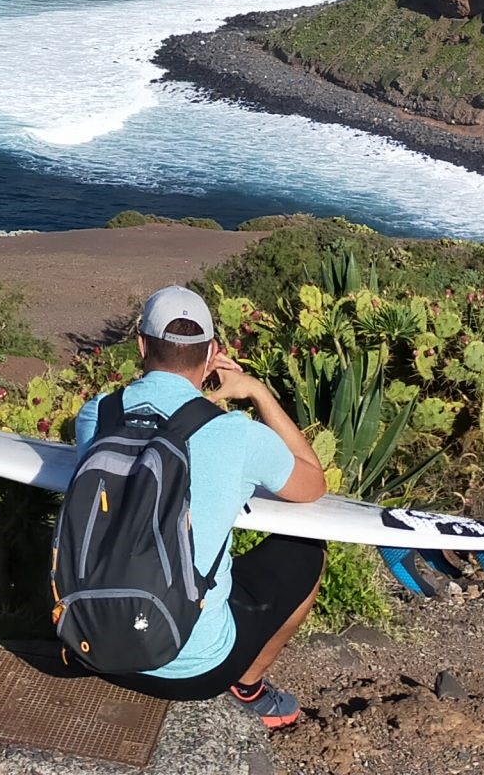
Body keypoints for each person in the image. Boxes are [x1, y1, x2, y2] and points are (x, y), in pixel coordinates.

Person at [67, 285, 328, 730]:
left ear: (141, 346)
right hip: (192, 669)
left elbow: (156, 436)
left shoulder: (98, 414)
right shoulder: (235, 434)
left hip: (90, 641)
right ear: (210, 355)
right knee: (307, 550)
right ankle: (249, 689)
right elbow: (313, 484)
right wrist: (257, 392)